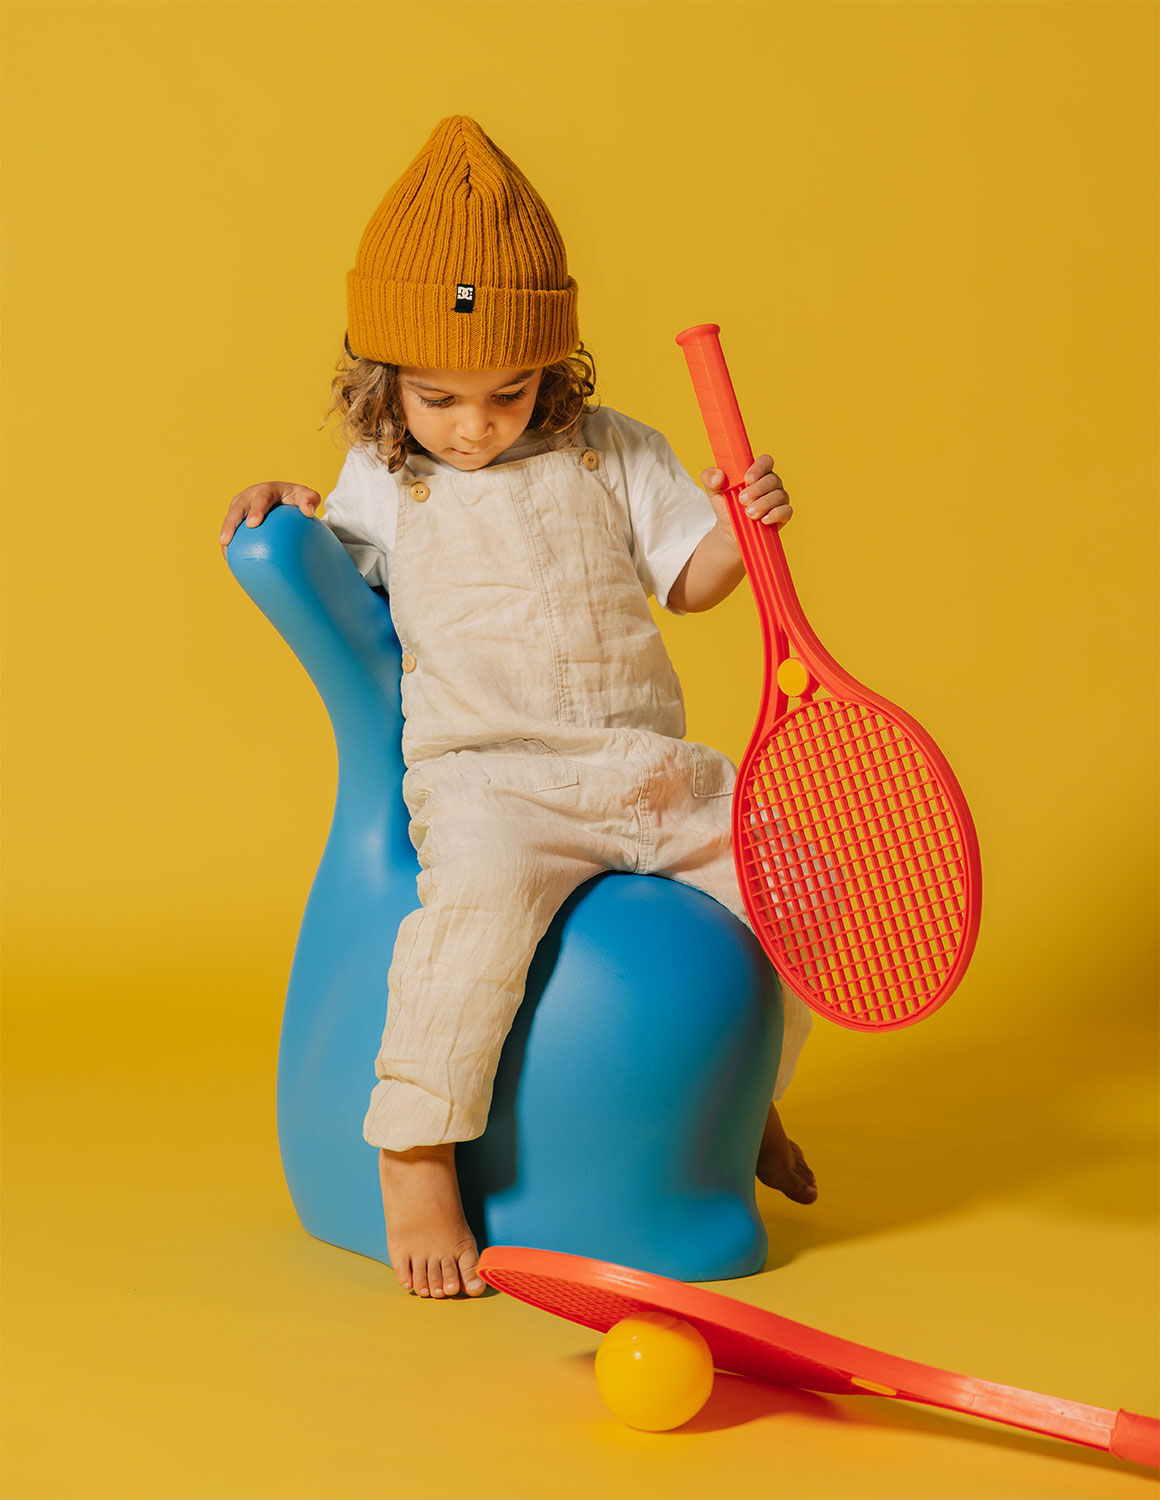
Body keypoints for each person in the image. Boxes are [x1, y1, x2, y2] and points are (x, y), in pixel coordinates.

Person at [218, 115, 816, 1302]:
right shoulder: (385, 481)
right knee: (471, 922)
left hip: (645, 770)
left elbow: (691, 584)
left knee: (801, 894)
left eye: (507, 391)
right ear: (383, 378)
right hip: (494, 781)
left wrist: (743, 532)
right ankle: (416, 1147)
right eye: (437, 398)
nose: (474, 425)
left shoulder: (614, 453)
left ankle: (742, 1099)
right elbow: (331, 568)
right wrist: (287, 498)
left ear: (556, 365)